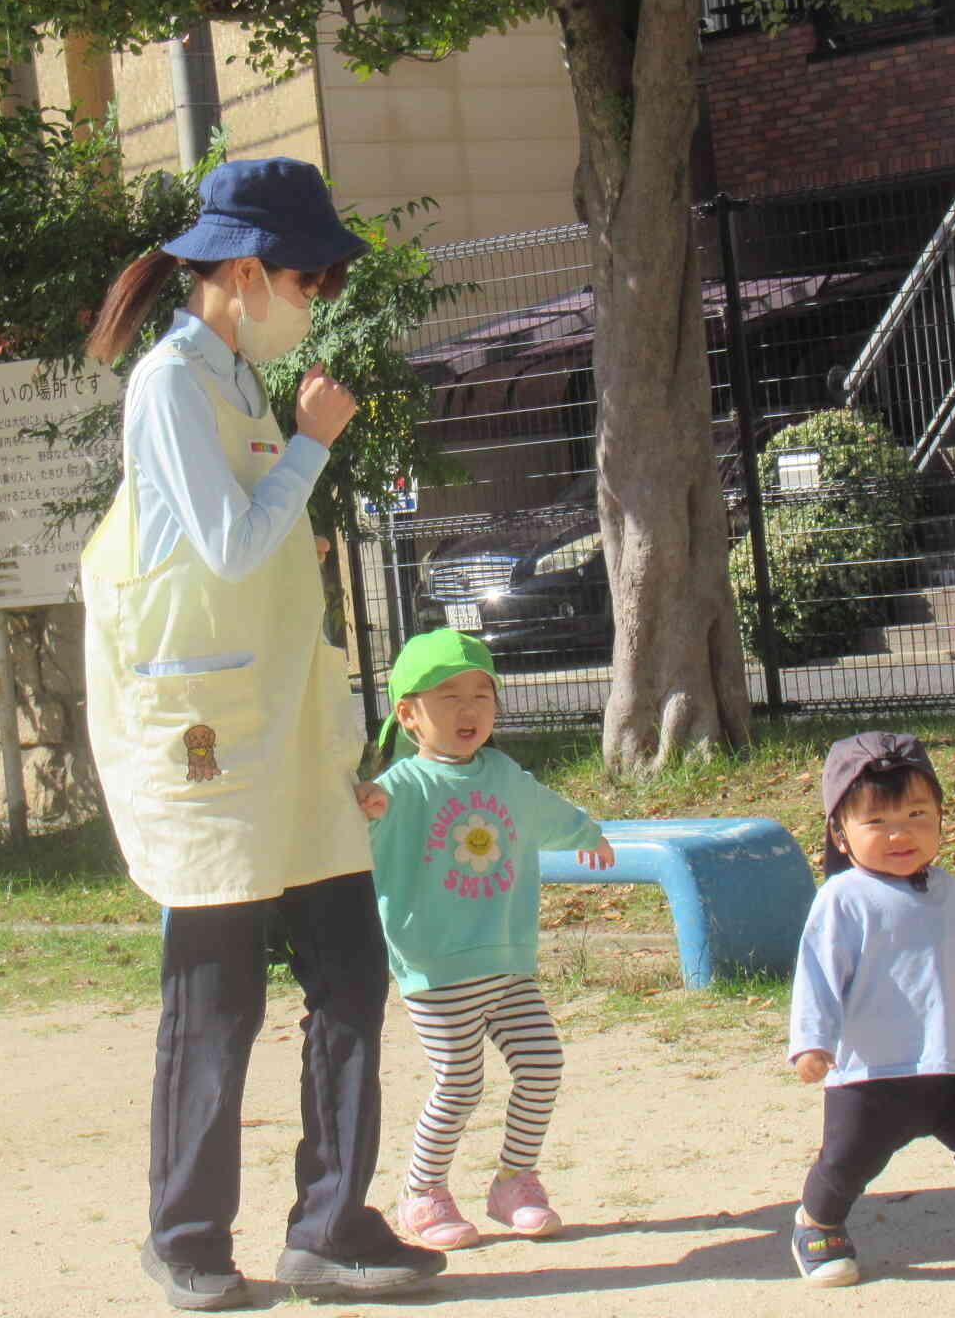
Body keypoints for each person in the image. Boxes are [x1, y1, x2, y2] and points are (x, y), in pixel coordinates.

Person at [79, 157, 444, 1310]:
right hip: (208, 741)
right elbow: (231, 548)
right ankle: (186, 1240)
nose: (314, 303)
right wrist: (312, 443)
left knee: (350, 973)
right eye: (306, 280)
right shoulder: (169, 385)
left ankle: (330, 1226)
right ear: (241, 272)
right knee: (217, 996)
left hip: (287, 732)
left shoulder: (236, 379)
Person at [787, 731, 955, 1288]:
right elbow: (817, 976)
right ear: (840, 833)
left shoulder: (947, 889)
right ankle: (816, 1225)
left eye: (917, 815)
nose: (901, 833)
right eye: (877, 821)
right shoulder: (843, 898)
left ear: (940, 819)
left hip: (954, 1064)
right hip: (872, 1074)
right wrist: (811, 1043)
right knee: (847, 1162)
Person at [366, 628, 615, 1251]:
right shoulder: (401, 787)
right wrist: (361, 808)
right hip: (437, 966)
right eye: (449, 697)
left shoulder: (503, 773)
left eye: (482, 694)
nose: (469, 709)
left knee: (542, 1063)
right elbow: (354, 836)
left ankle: (514, 1182)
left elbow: (546, 809)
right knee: (459, 1082)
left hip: (506, 962)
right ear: (409, 715)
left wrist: (586, 832)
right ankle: (422, 1192)